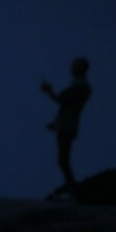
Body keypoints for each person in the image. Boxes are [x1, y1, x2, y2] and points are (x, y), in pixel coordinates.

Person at [41, 57, 92, 196]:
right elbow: (65, 104)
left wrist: (49, 90)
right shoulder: (79, 86)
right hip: (66, 126)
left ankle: (72, 189)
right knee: (63, 160)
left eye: (74, 66)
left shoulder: (81, 87)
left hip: (67, 127)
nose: (71, 69)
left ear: (81, 68)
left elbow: (62, 100)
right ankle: (71, 187)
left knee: (63, 160)